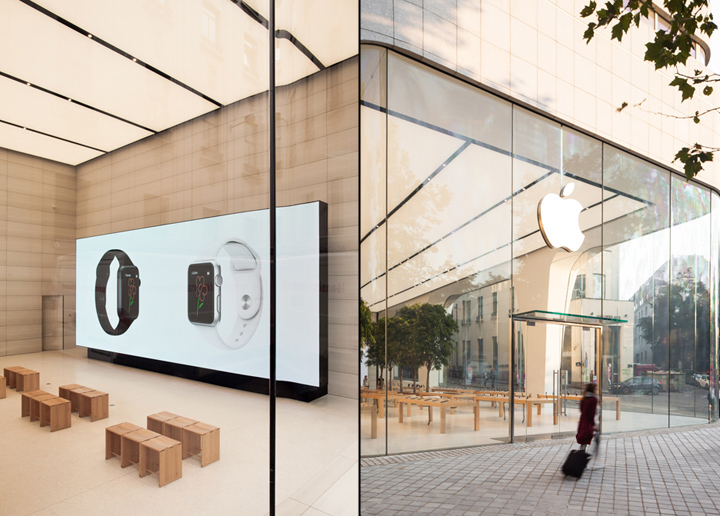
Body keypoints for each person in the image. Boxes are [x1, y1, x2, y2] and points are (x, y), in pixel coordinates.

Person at [576, 383, 598, 452]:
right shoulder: (593, 399)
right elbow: (592, 413)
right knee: (588, 436)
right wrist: (593, 424)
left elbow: (581, 410)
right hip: (589, 421)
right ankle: (584, 453)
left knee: (584, 438)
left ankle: (582, 452)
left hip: (583, 421)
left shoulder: (583, 399)